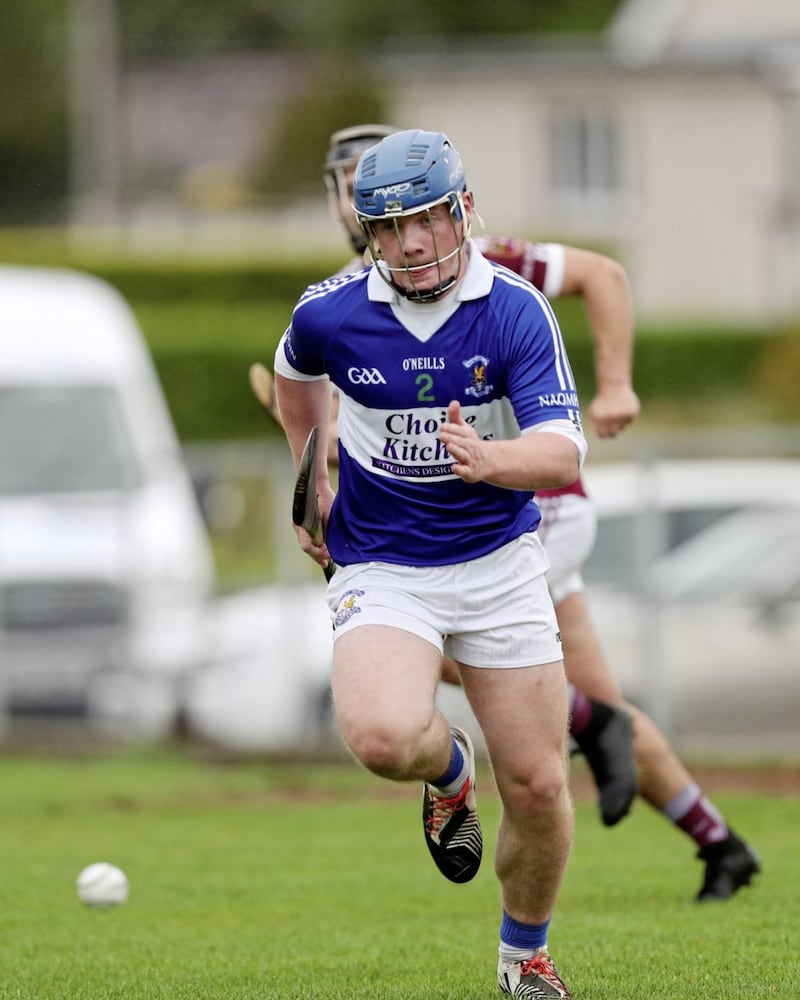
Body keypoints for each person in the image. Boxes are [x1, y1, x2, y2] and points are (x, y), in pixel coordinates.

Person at [318, 124, 761, 903]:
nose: (400, 224)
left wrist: (617, 384)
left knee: (473, 657)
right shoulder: (346, 301)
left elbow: (604, 274)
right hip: (460, 518)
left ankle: (578, 724)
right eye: (359, 189)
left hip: (532, 511)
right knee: (550, 689)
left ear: (450, 203)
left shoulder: (492, 268)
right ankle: (716, 839)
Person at [275, 128, 583, 998]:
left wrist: (492, 461)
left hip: (497, 558)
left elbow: (561, 453)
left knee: (538, 784)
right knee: (379, 737)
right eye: (389, 227)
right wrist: (315, 472)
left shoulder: (514, 308)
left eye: (428, 219)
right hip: (383, 559)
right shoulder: (328, 312)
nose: (412, 242)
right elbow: (293, 378)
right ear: (367, 235)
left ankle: (524, 959)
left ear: (463, 212)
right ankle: (449, 771)